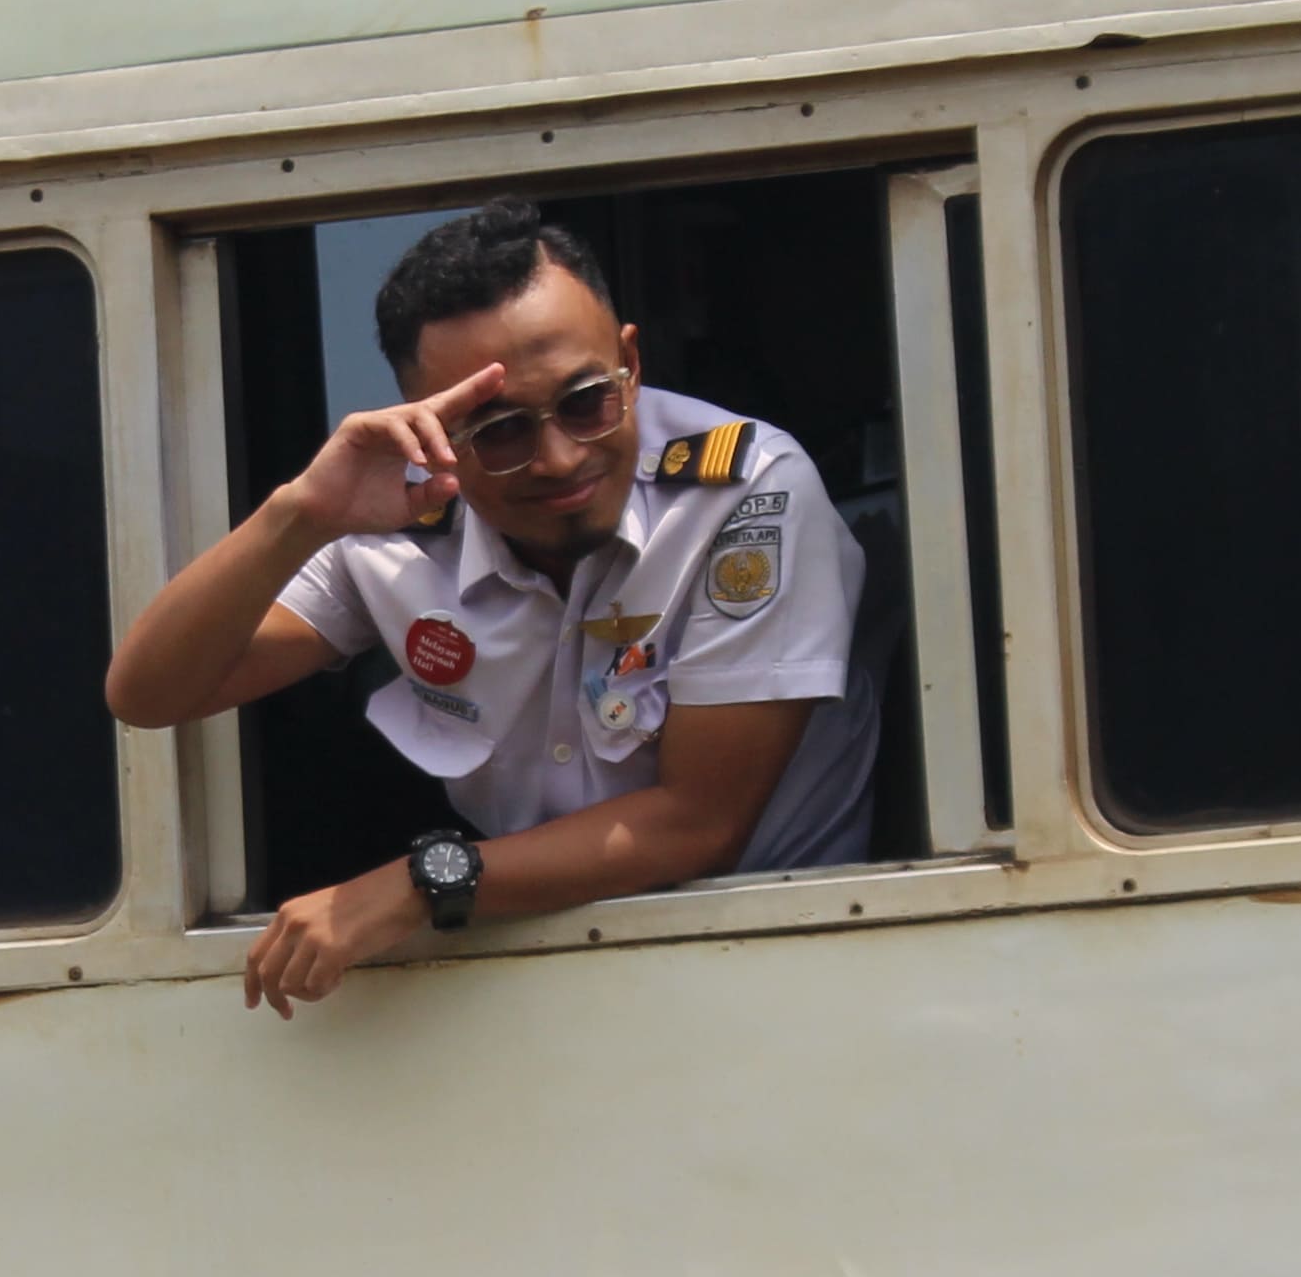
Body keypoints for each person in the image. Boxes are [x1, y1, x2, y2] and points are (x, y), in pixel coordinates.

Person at [105, 200, 874, 1014]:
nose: (559, 457)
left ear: (631, 363)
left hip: (769, 965)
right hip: (529, 974)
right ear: (432, 428)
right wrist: (299, 515)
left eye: (586, 401)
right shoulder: (395, 520)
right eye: (500, 431)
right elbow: (151, 694)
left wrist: (420, 883)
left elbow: (697, 824)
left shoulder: (741, 491)